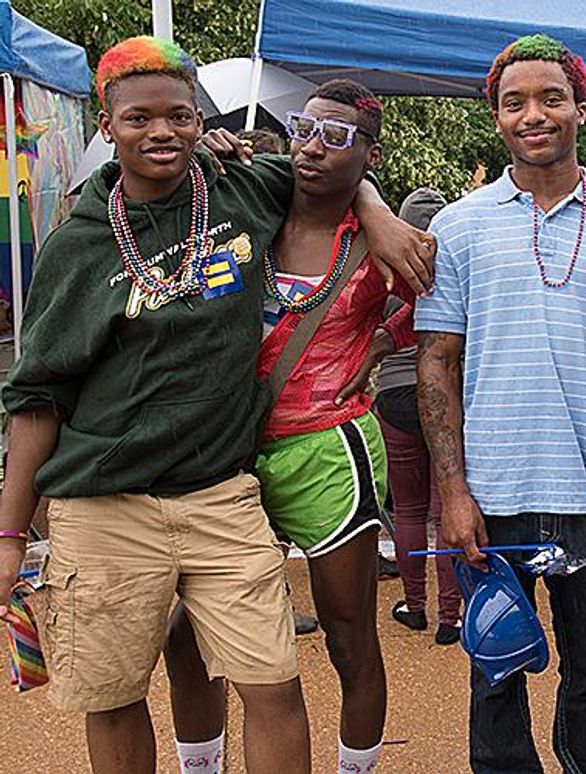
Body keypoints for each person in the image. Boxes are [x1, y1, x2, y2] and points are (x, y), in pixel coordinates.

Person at [0, 38, 432, 774]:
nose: (161, 132)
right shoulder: (78, 245)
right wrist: (9, 534)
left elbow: (330, 171)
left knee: (274, 682)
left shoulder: (240, 189)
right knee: (114, 695)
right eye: (139, 118)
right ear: (107, 125)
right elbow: (37, 395)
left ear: (203, 121)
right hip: (106, 505)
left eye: (180, 115)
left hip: (223, 496)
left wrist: (378, 211)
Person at [416, 34, 586, 773]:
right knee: (496, 673)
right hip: (491, 499)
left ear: (580, 107)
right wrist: (454, 491)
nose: (534, 114)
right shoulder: (456, 227)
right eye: (515, 102)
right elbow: (436, 362)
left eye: (550, 97)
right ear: (495, 117)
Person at [167, 78, 416, 774]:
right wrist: (208, 151)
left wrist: (378, 346)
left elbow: (433, 313)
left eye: (337, 137)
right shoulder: (249, 208)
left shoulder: (375, 243)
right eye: (306, 127)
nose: (312, 146)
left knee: (348, 638)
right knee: (188, 632)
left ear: (369, 154)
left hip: (330, 453)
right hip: (229, 446)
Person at [375, 186, 463, 645]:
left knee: (407, 508)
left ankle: (415, 606)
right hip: (444, 395)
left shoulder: (386, 268)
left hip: (392, 395)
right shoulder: (452, 269)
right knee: (445, 505)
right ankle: (452, 617)